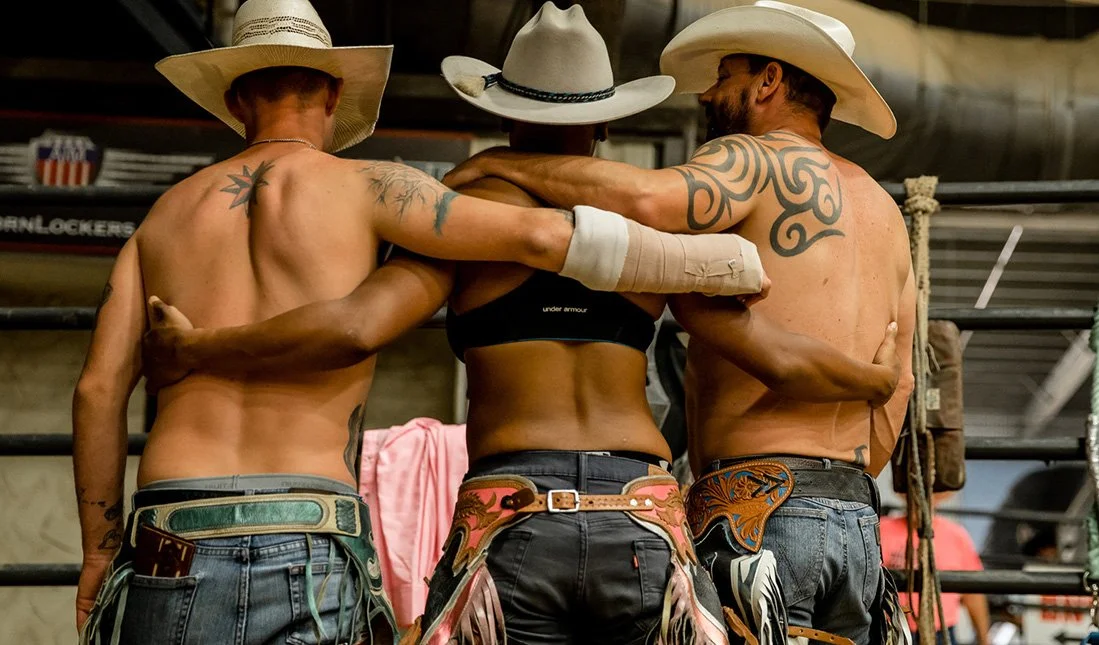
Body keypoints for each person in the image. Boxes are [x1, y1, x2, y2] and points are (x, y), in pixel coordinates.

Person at [140, 3, 903, 643]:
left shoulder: (462, 220)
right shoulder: (654, 244)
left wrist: (201, 346)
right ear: (603, 125)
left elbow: (354, 326)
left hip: (513, 515)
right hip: (640, 518)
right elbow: (775, 354)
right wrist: (872, 379)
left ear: (502, 113)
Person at [439, 2, 916, 642]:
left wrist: (501, 162)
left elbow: (646, 200)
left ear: (769, 81)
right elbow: (900, 380)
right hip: (855, 513)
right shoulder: (883, 208)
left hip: (757, 511)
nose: (709, 93)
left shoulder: (751, 158)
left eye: (724, 75)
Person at [880, 496, 991, 645]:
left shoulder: (956, 535)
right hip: (891, 629)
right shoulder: (882, 529)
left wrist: (984, 639)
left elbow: (972, 593)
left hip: (940, 631)